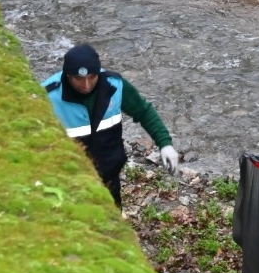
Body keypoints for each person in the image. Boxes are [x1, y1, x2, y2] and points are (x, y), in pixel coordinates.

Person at [41, 44, 178, 207]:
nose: (86, 85)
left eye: (91, 77)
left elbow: (144, 111)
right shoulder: (47, 95)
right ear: (68, 75)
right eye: (79, 79)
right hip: (68, 180)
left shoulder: (115, 86)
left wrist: (165, 144)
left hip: (109, 175)